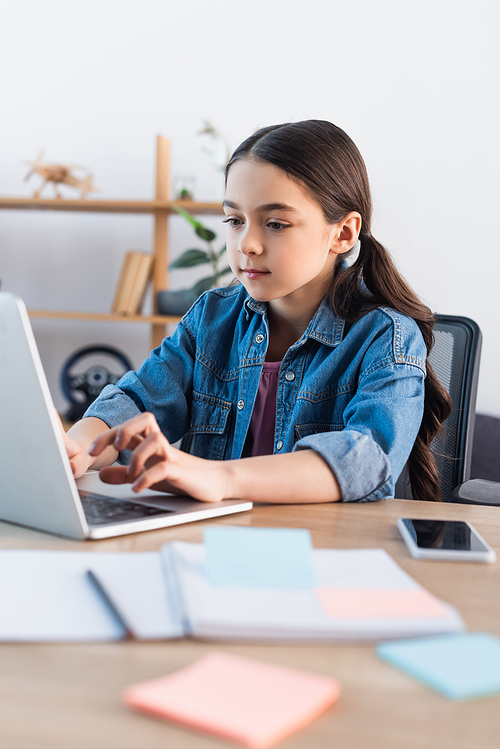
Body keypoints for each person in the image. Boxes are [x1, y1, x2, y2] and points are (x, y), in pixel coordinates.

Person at [62, 120, 451, 504]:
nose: (247, 243)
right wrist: (81, 446)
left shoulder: (385, 338)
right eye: (234, 220)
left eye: (276, 224)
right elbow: (138, 400)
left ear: (343, 233)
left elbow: (364, 461)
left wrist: (219, 478)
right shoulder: (212, 318)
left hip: (319, 551)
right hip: (210, 543)